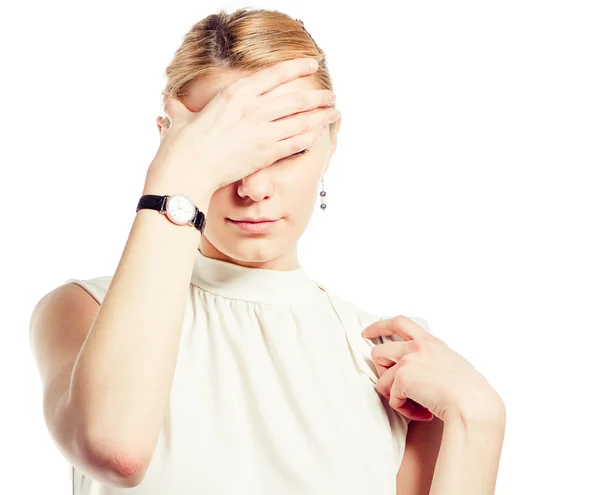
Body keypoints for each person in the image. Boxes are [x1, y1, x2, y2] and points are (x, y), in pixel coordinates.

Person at [29, 8, 506, 495]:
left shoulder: (392, 356)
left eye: (286, 149)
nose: (253, 187)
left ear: (331, 140)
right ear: (172, 144)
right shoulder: (83, 311)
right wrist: (178, 180)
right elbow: (115, 449)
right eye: (229, 149)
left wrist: (479, 418)